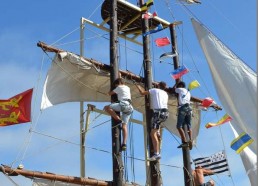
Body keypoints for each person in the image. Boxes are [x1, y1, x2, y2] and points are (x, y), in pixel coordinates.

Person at [135, 81, 169, 161]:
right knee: (156, 128)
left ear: (158, 85)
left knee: (152, 133)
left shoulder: (154, 90)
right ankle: (158, 132)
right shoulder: (165, 94)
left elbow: (142, 92)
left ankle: (157, 154)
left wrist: (137, 85)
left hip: (158, 112)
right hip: (165, 113)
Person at [104, 78, 133, 151]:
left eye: (116, 84)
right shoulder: (127, 87)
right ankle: (124, 144)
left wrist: (106, 93)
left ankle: (118, 119)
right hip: (130, 107)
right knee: (124, 126)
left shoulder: (119, 87)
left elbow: (110, 93)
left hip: (123, 105)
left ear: (119, 83)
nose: (116, 86)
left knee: (106, 108)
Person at [173, 81, 193, 150]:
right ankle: (190, 139)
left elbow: (174, 90)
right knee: (188, 125)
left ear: (180, 85)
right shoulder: (188, 92)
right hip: (190, 109)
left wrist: (176, 84)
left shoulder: (180, 89)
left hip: (183, 108)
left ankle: (185, 142)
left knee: (179, 126)